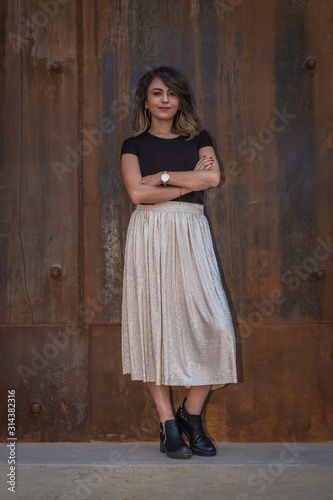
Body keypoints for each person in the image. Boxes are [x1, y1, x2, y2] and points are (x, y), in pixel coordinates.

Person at [120, 66, 237, 459]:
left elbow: (213, 179)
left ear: (181, 99)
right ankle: (168, 422)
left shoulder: (199, 138)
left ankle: (192, 414)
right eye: (157, 93)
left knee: (216, 323)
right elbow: (137, 194)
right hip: (150, 236)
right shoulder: (132, 144)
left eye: (172, 93)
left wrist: (163, 178)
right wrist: (185, 180)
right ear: (147, 100)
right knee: (155, 325)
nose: (165, 100)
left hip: (191, 232)